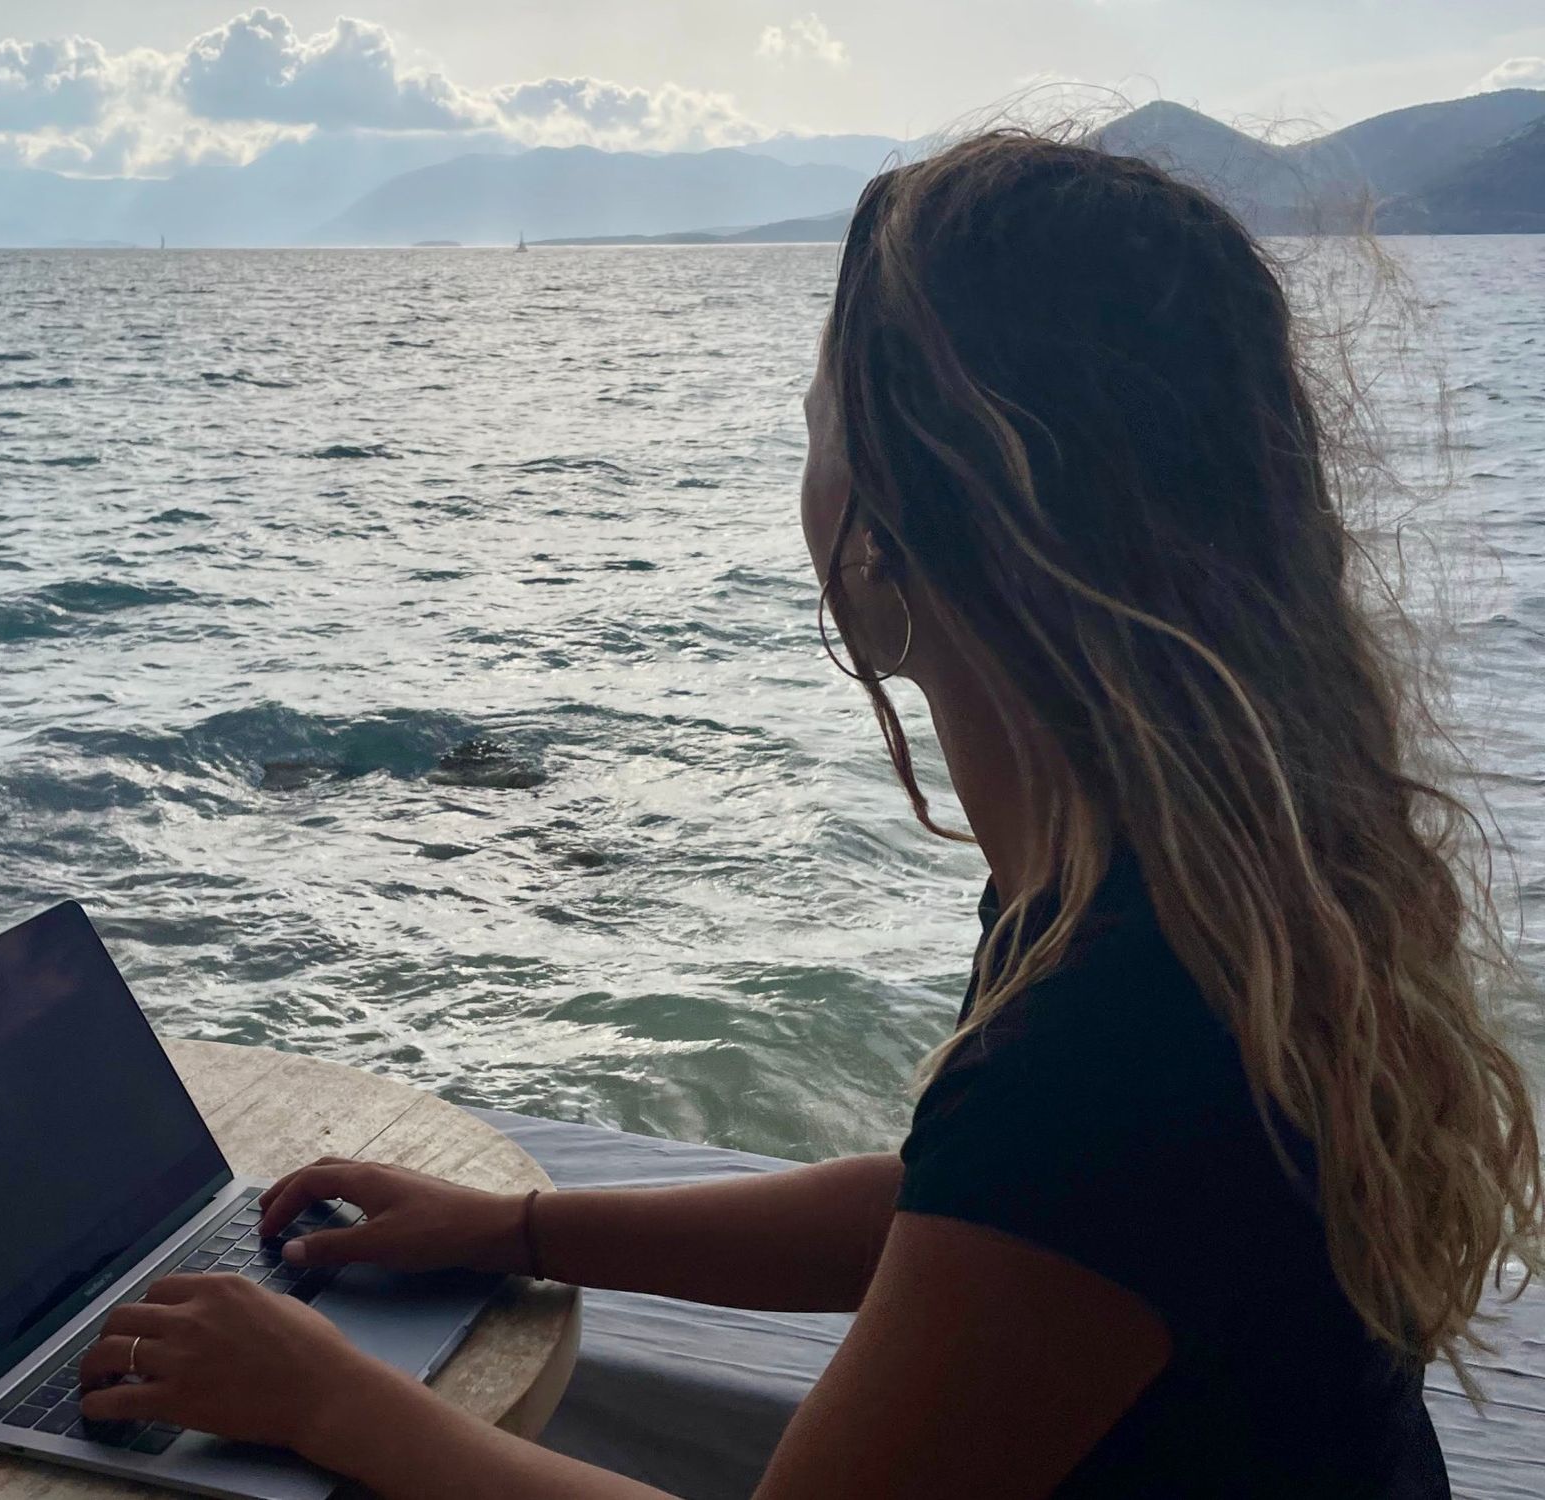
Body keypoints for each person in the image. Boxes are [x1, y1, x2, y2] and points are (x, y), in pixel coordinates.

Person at [76, 132, 1545, 1497]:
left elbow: (1035, 1173)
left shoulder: (1117, 1022)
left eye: (818, 419)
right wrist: (513, 1230)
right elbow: (952, 1215)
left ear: (911, 518)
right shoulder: (1187, 873)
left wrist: (325, 1398)